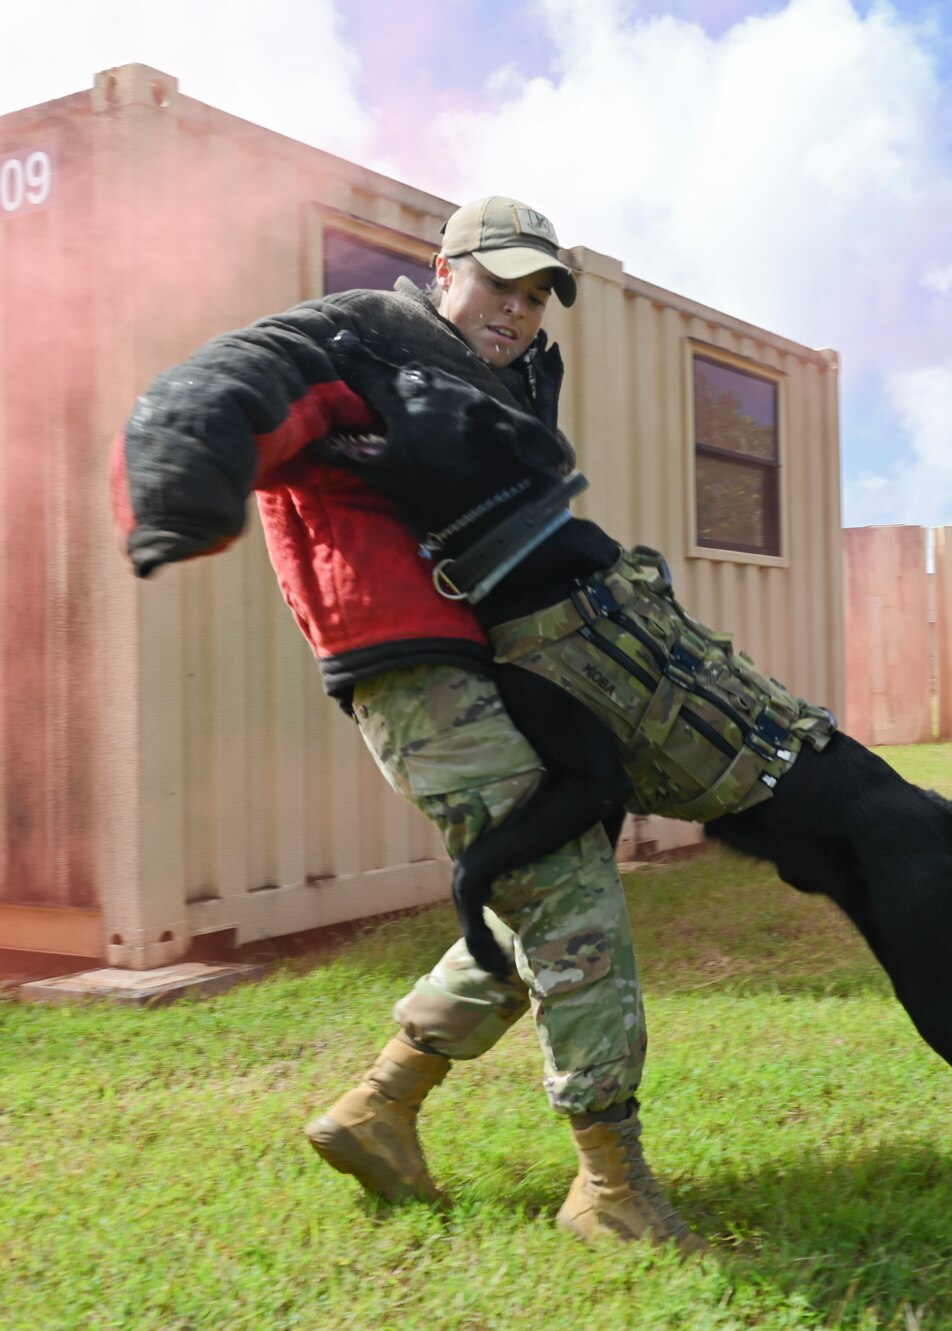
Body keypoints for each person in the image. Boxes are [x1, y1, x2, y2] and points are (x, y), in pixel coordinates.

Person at [111, 196, 701, 1251]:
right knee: (567, 894)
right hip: (414, 669)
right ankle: (610, 1188)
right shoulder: (355, 339)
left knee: (532, 891)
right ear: (442, 269)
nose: (515, 312)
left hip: (497, 660)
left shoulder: (493, 381)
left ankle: (378, 1109)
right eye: (497, 284)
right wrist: (176, 492)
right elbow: (223, 388)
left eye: (533, 297)